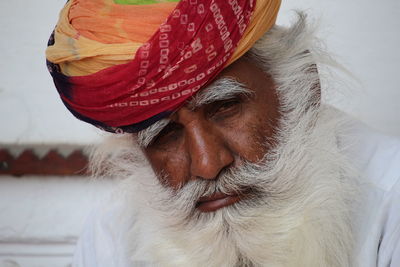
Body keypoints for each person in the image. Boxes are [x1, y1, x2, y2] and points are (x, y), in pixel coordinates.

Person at [46, 0, 400, 266]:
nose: (207, 164)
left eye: (225, 108)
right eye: (163, 135)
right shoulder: (114, 230)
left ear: (305, 88)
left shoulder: (391, 200)